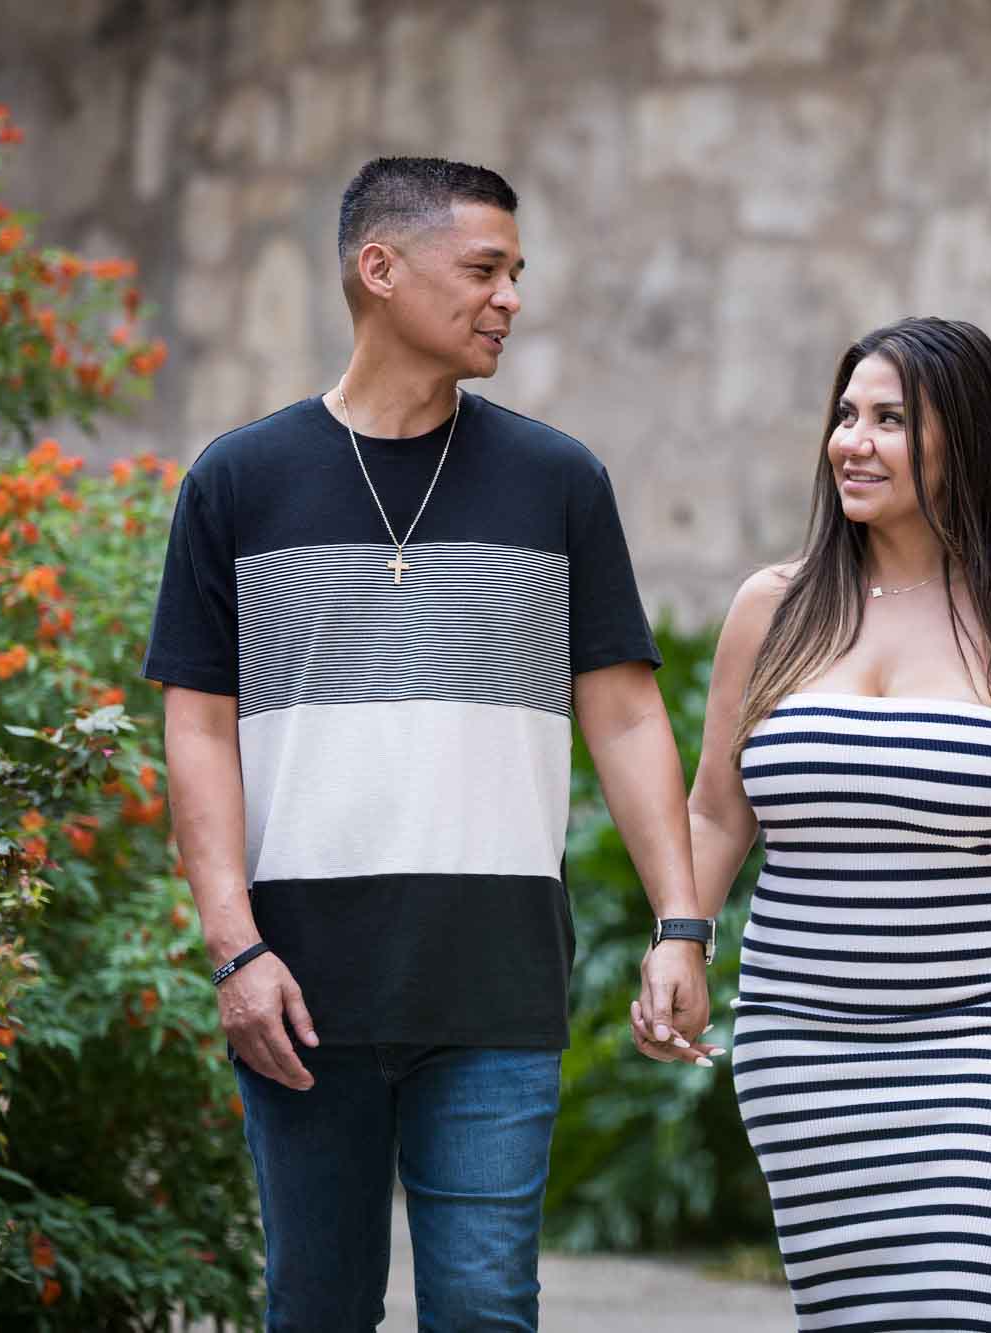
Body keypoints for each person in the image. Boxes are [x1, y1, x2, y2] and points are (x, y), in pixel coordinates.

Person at [144, 156, 718, 1330]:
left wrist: (681, 924)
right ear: (379, 268)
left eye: (516, 273)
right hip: (298, 984)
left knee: (484, 1307)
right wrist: (234, 950)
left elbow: (621, 709)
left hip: (495, 978)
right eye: (484, 270)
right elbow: (198, 730)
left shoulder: (559, 481)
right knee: (317, 1309)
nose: (510, 297)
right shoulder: (238, 482)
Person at [640, 316, 991, 1331]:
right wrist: (677, 938)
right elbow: (713, 809)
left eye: (888, 421)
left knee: (959, 1310)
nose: (850, 443)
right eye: (844, 415)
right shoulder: (770, 608)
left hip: (988, 1033)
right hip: (803, 1038)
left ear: (964, 441)